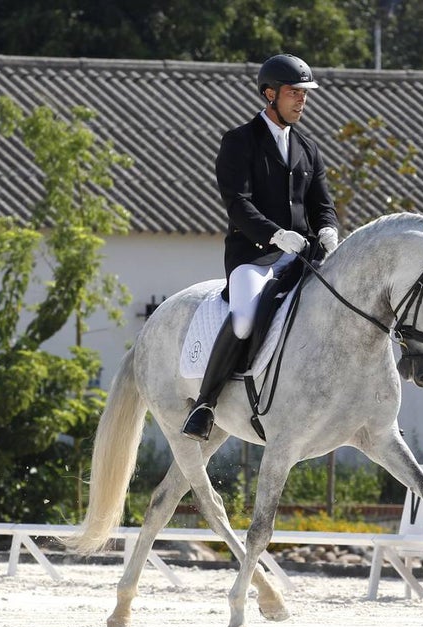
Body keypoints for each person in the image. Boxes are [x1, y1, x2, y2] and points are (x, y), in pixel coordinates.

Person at [182, 53, 340, 441]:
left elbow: (323, 204)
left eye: (304, 94)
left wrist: (330, 230)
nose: (301, 101)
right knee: (244, 318)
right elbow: (238, 203)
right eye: (293, 93)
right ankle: (206, 403)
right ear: (270, 95)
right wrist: (273, 234)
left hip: (304, 257)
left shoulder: (308, 147)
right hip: (256, 254)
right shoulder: (239, 141)